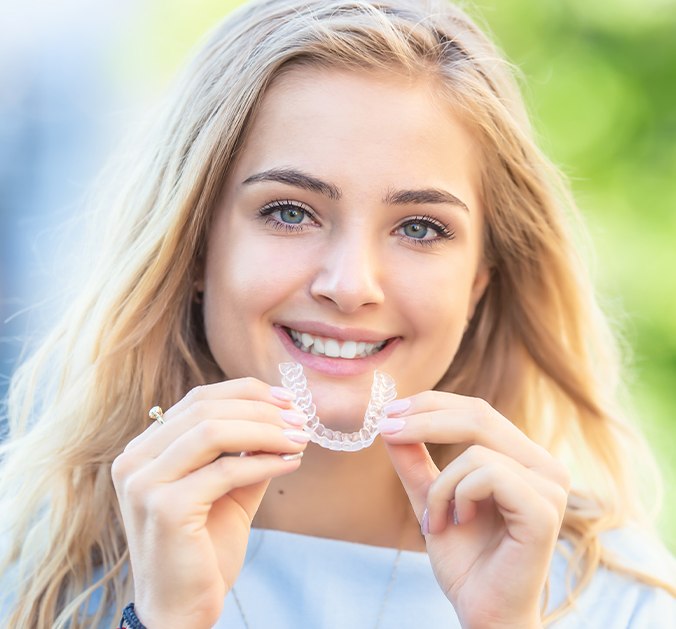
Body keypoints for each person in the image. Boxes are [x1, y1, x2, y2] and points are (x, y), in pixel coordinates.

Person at [1, 0, 674, 627]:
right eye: (290, 212)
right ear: (196, 247)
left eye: (419, 227)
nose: (351, 285)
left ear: (478, 282)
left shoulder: (625, 601)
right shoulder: (32, 575)